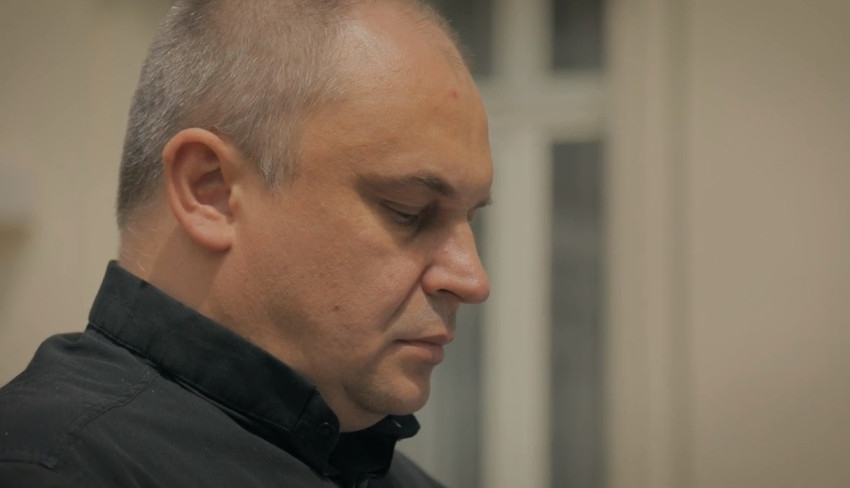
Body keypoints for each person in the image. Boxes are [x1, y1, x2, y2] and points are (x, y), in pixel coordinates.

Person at [0, 0, 492, 486]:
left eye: (469, 218)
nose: (472, 279)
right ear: (208, 190)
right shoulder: (47, 469)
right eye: (408, 210)